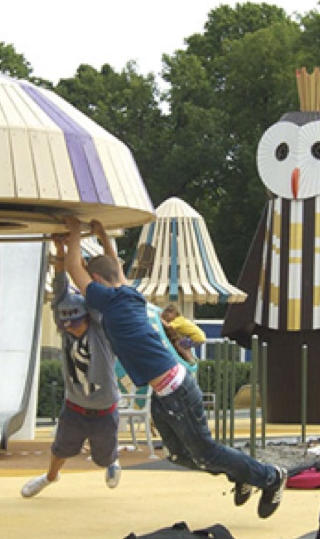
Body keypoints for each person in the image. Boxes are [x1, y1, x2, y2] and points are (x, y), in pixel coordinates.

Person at [64, 217, 287, 518]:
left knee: (205, 452)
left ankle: (271, 477)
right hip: (166, 390)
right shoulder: (128, 293)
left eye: (92, 281)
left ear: (98, 280)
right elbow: (112, 265)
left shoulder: (112, 299)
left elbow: (75, 268)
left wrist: (74, 233)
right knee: (182, 456)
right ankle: (241, 473)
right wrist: (103, 237)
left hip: (175, 389)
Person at [22, 235, 121, 498]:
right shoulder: (67, 330)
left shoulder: (100, 330)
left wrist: (92, 256)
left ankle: (112, 461)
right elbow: (60, 289)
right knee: (60, 449)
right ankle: (50, 477)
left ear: (88, 317)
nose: (70, 327)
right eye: (65, 324)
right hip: (75, 406)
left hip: (103, 408)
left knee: (103, 456)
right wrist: (60, 250)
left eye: (76, 322)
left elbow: (102, 293)